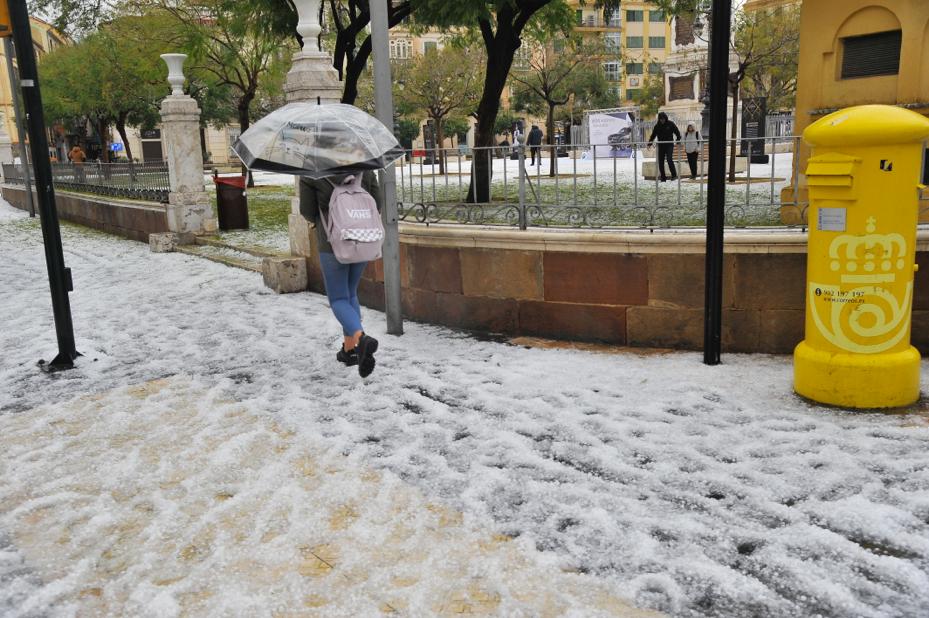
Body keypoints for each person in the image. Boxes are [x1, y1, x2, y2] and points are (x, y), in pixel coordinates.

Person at [299, 172, 382, 378]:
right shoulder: (364, 166)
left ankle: (360, 338)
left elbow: (307, 212)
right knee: (350, 293)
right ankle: (350, 350)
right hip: (363, 238)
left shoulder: (312, 171)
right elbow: (377, 202)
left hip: (331, 242)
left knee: (338, 298)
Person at [647, 112, 681, 182]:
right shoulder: (657, 126)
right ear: (659, 119)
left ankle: (674, 175)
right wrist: (649, 143)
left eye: (663, 119)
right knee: (660, 161)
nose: (662, 120)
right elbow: (653, 135)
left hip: (669, 145)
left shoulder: (670, 124)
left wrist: (678, 139)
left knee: (669, 159)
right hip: (661, 145)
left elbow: (677, 132)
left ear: (665, 118)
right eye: (661, 119)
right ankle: (663, 178)